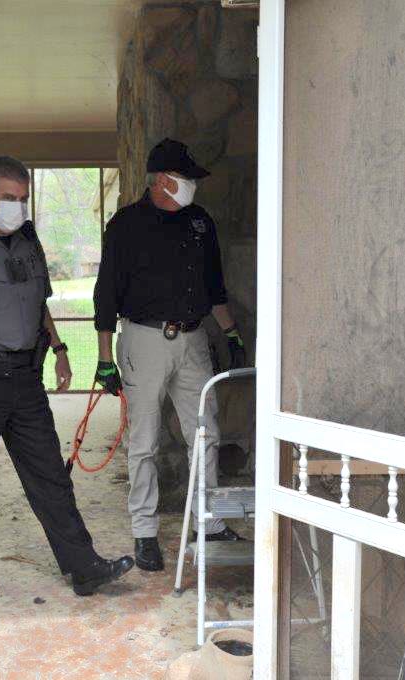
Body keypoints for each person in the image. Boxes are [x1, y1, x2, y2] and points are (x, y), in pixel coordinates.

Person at [0, 155, 134, 599]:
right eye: (9, 198)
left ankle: (84, 566)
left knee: (51, 475)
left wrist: (59, 349)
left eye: (23, 198)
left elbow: (39, 302)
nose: (18, 206)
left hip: (26, 381)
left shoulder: (28, 241)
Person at [92, 138, 247, 572]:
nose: (192, 186)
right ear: (163, 181)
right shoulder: (126, 225)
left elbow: (215, 287)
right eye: (186, 179)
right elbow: (105, 295)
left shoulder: (200, 222)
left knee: (206, 432)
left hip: (194, 340)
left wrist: (230, 333)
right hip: (143, 338)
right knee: (143, 441)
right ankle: (144, 531)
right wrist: (105, 357)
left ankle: (209, 521)